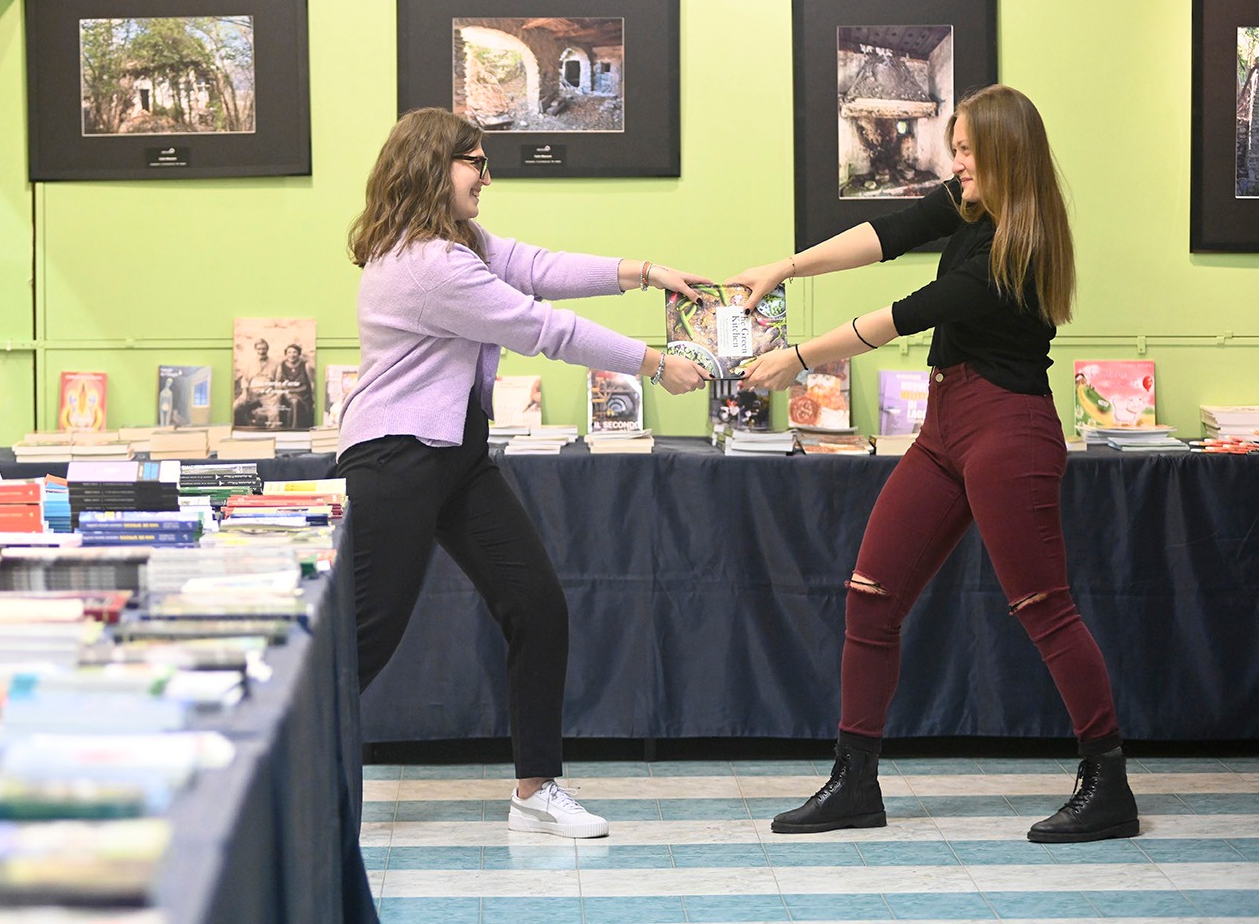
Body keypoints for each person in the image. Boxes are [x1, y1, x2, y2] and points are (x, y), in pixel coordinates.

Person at [729, 84, 1139, 844]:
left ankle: (1107, 778)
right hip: (946, 428)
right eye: (953, 149)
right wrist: (782, 268)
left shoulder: (1014, 249)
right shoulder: (972, 204)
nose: (955, 164)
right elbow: (886, 233)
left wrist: (796, 358)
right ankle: (855, 781)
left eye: (966, 151)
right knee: (870, 595)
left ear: (1006, 155)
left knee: (1043, 607)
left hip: (1007, 434)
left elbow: (899, 315)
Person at [337, 107, 710, 839]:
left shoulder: (458, 242)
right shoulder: (428, 264)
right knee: (365, 636)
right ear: (432, 165)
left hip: (456, 454)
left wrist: (642, 272)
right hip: (398, 458)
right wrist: (656, 363)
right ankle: (262, 764)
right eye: (475, 161)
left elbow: (537, 268)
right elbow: (542, 325)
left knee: (537, 604)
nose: (486, 175)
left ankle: (536, 786)